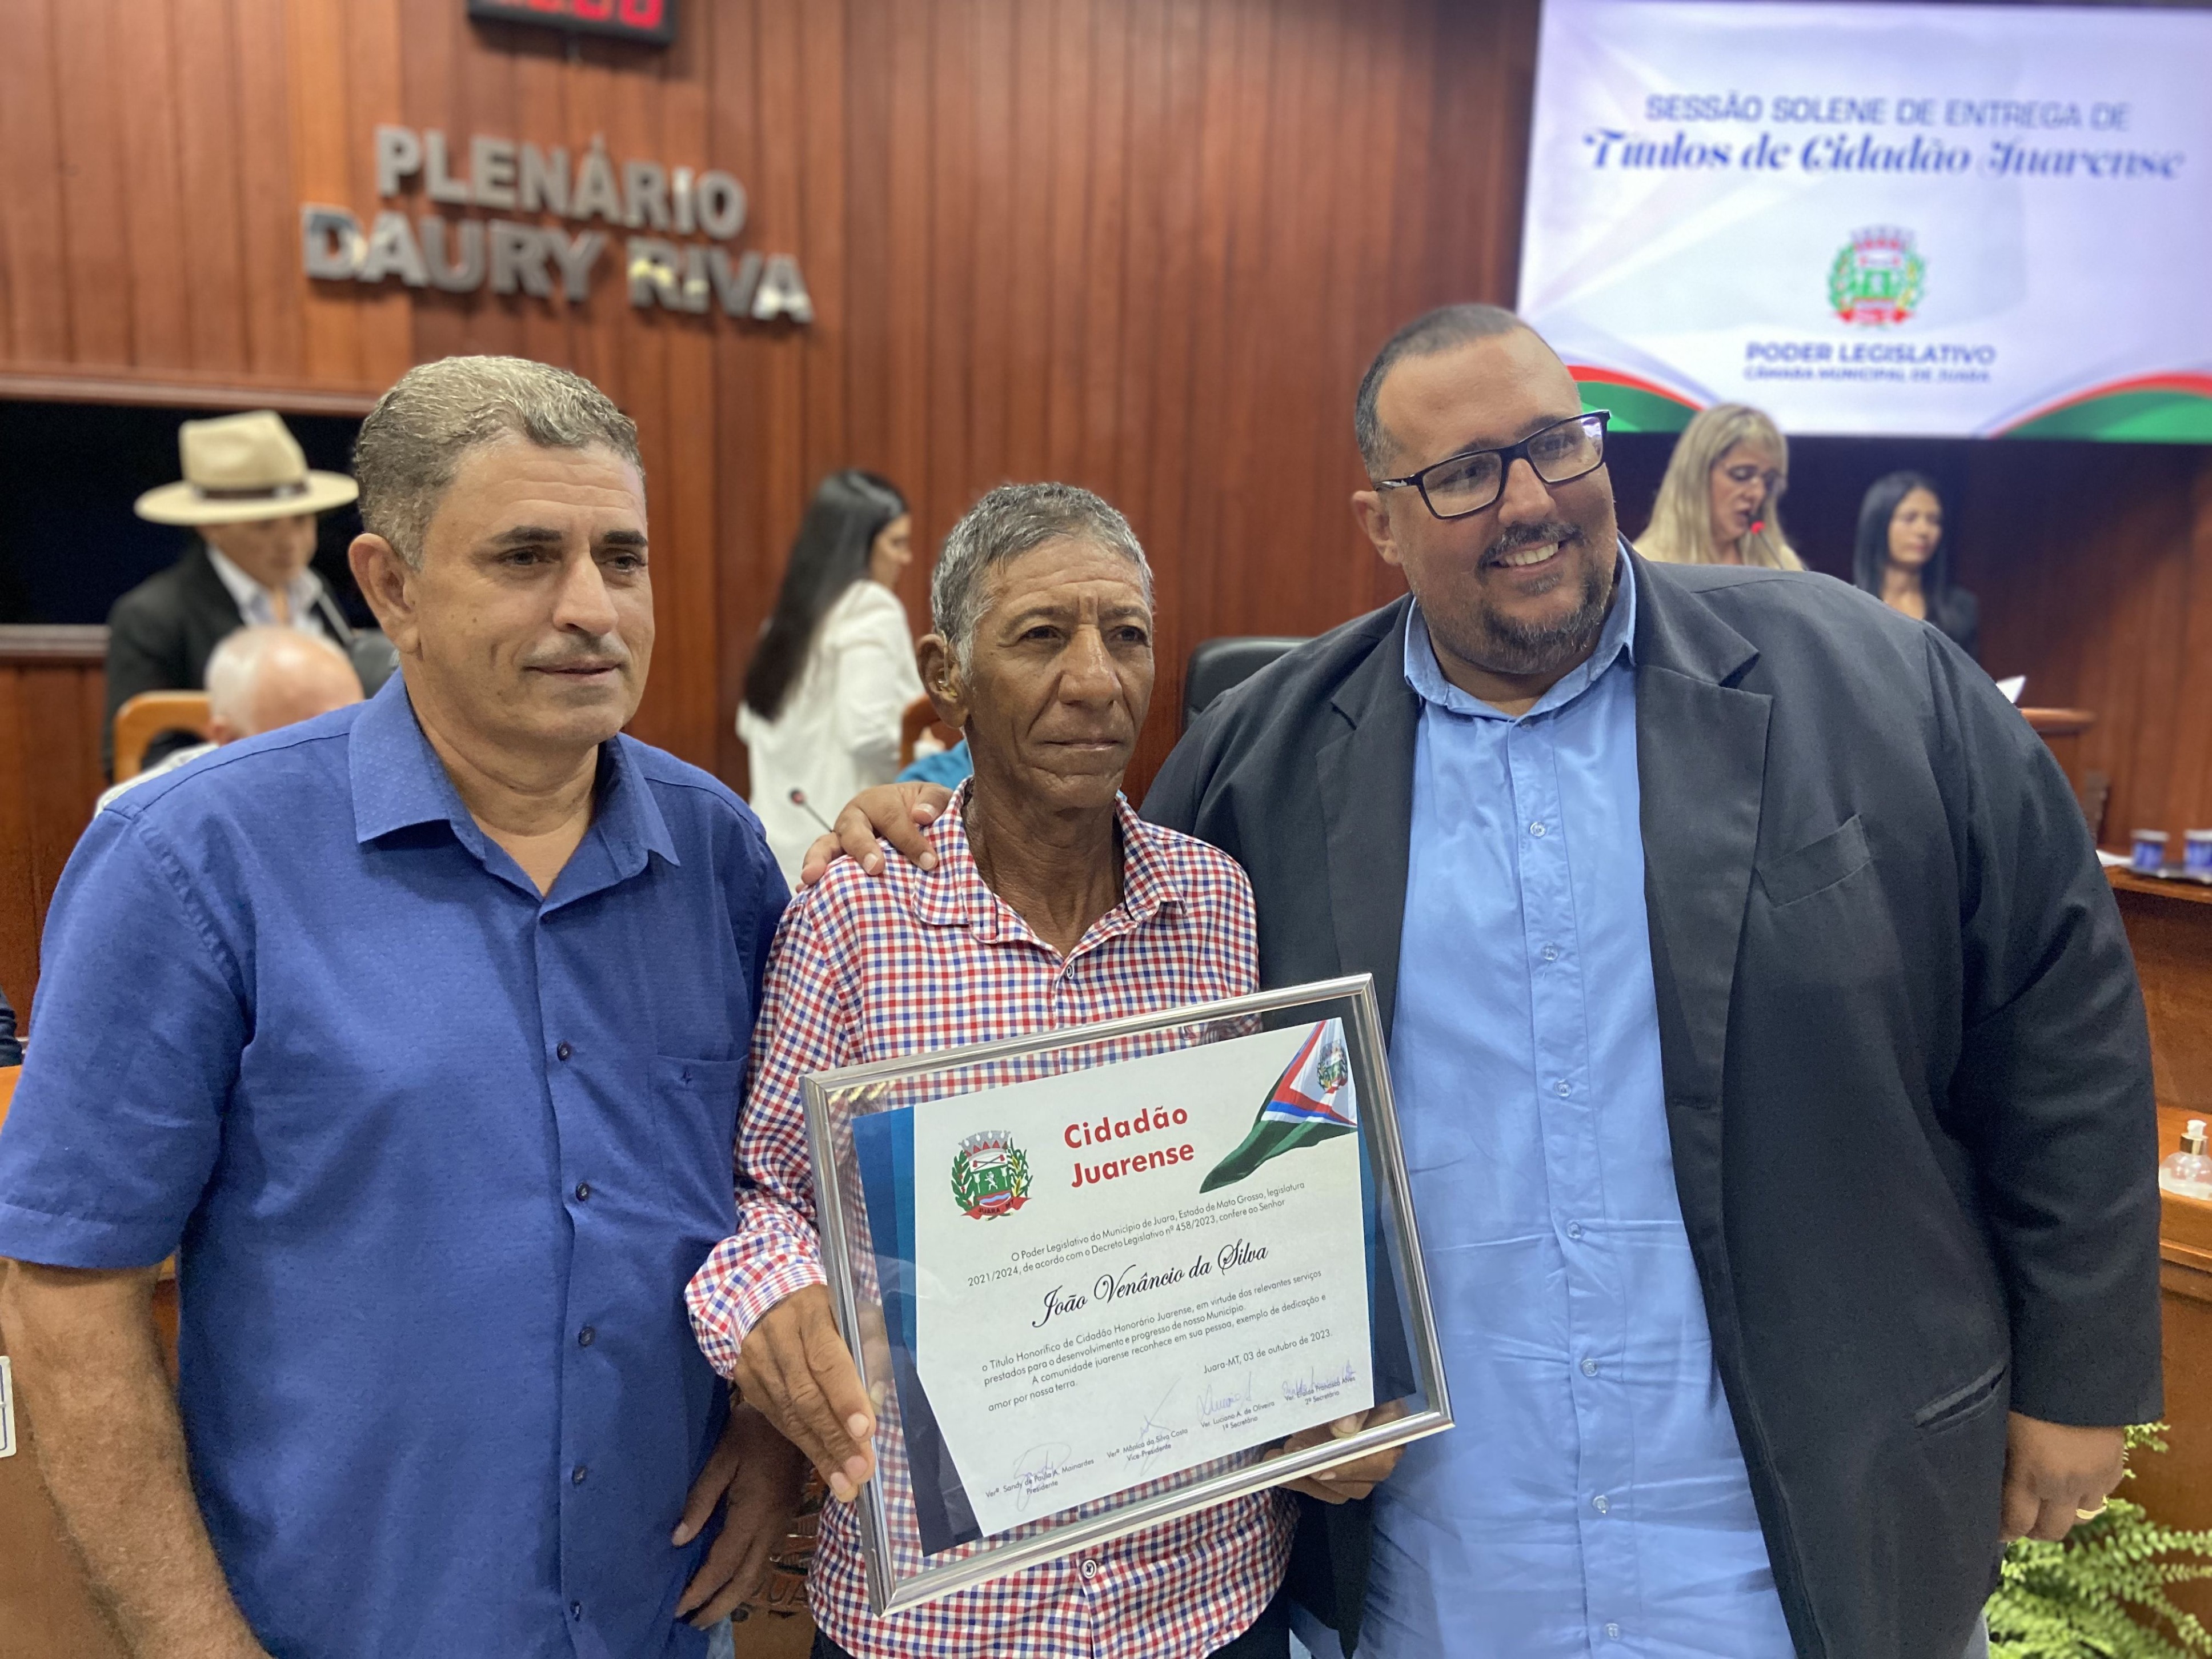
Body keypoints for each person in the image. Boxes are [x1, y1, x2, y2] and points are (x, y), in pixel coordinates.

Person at [813, 304, 2160, 1659]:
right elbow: (1099, 990)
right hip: (1442, 1567)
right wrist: (926, 819)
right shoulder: (1259, 762)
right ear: (1380, 524)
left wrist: (2078, 1373)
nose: (1527, 502)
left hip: (1810, 1536)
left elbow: (2059, 1011)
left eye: (1556, 445)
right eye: (1462, 474)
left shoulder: (1873, 684)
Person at [0, 356, 800, 1659]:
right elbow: (65, 1298)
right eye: (527, 556)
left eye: (623, 557)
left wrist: (770, 1432)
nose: (591, 607)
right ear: (391, 587)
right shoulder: (192, 860)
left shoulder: (719, 854)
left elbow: (782, 1190)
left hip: (659, 1617)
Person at [686, 483, 1397, 1659]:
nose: (1095, 679)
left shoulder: (1215, 903)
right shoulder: (856, 918)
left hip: (1204, 1593)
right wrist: (777, 1304)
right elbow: (762, 1190)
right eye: (1040, 635)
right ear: (946, 672)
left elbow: (1278, 1185)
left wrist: (1333, 1377)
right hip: (949, 1609)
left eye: (1127, 635)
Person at [106, 409, 378, 776]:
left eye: (302, 520)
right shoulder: (152, 616)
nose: (290, 541)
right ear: (210, 527)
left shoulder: (319, 593)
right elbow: (136, 754)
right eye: (264, 525)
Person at [739, 470, 925, 883]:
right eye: (896, 543)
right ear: (857, 545)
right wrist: (932, 752)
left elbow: (749, 724)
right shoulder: (871, 607)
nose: (906, 558)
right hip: (838, 855)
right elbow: (868, 734)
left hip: (770, 850)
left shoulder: (788, 618)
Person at [95, 626, 363, 810]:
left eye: (351, 728)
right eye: (309, 739)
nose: (339, 756)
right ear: (228, 739)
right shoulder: (142, 818)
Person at [1636, 402, 1805, 570]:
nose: (1758, 493)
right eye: (1742, 474)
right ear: (1697, 475)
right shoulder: (1647, 565)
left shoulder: (1780, 562)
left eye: (1768, 480)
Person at [1856, 470, 1979, 662]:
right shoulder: (1847, 604)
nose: (1923, 530)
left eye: (1934, 521)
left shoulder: (1960, 608)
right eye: (1909, 518)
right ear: (1879, 523)